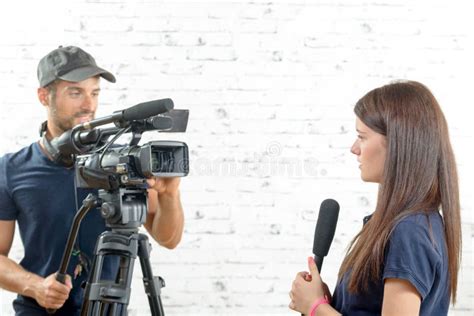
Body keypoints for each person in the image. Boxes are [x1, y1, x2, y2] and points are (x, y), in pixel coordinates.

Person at [0, 46, 185, 315]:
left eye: (94, 92)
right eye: (75, 92)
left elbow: (168, 239)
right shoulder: (11, 168)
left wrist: (170, 195)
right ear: (44, 96)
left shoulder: (122, 161)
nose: (88, 104)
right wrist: (36, 286)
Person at [289, 80, 461, 316]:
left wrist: (315, 307)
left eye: (362, 136)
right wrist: (330, 303)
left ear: (397, 145)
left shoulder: (409, 230)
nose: (354, 148)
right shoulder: (407, 224)